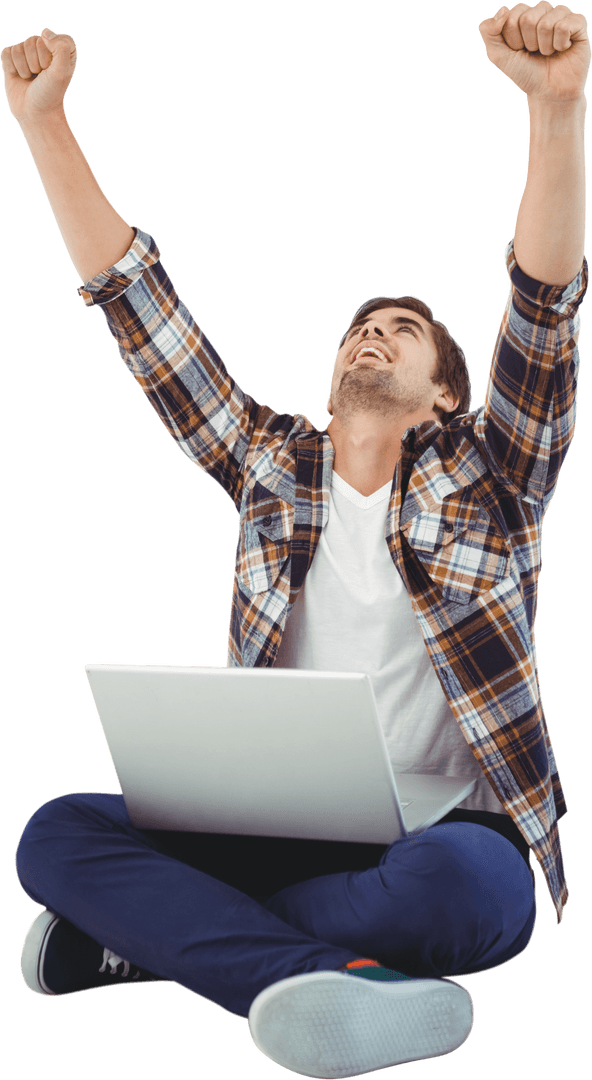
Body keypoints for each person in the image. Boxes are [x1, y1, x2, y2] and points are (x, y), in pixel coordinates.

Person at [3, 4, 589, 1077]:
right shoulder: (271, 465)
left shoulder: (495, 473)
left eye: (402, 332)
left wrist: (556, 111)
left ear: (445, 394)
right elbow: (141, 312)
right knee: (54, 834)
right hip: (275, 837)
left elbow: (544, 310)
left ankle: (157, 943)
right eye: (361, 327)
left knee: (464, 893)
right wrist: (42, 123)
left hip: (446, 844)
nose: (372, 334)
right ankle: (352, 985)